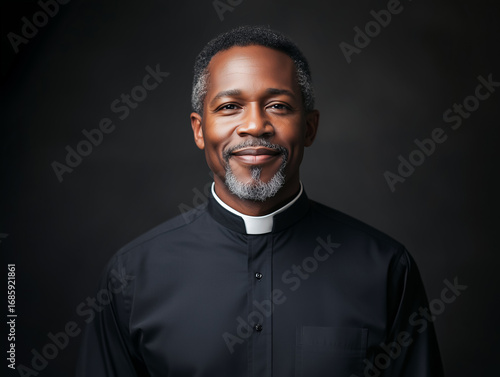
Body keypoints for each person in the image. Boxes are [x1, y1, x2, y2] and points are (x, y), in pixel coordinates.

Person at [75, 25, 443, 377]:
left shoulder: (386, 270)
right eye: (230, 106)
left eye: (279, 106)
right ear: (199, 130)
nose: (255, 125)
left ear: (310, 127)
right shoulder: (131, 278)